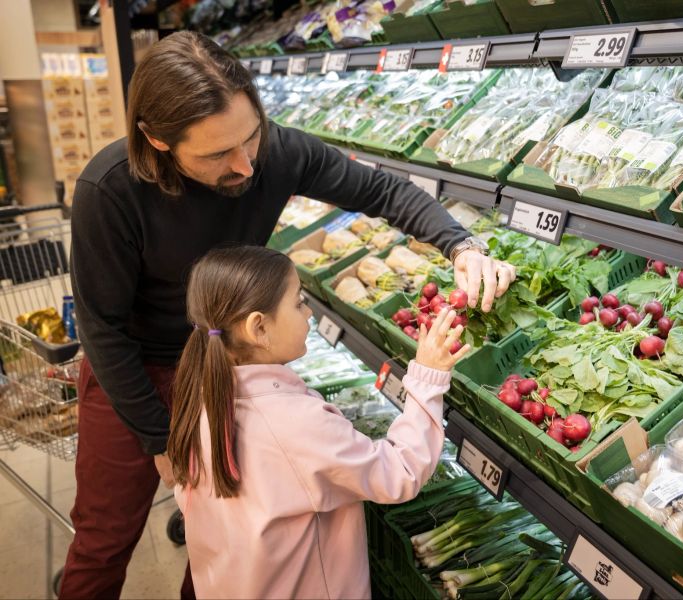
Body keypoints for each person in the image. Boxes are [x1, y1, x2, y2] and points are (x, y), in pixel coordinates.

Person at [61, 31, 514, 599]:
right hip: (133, 367)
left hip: (226, 364)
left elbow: (380, 191)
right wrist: (160, 440)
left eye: (251, 137)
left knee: (226, 530)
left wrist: (461, 245)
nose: (246, 166)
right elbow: (101, 328)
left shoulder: (274, 153)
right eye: (216, 154)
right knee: (105, 535)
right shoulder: (109, 192)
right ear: (156, 141)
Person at [169, 245, 467, 598]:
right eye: (298, 302)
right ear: (258, 328)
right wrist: (427, 378)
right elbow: (399, 473)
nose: (308, 312)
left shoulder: (200, 394)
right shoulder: (294, 424)